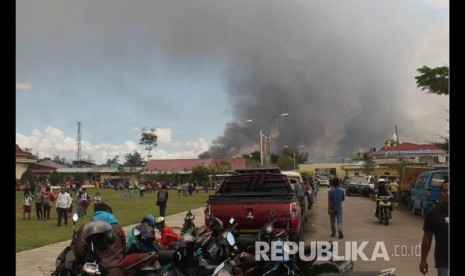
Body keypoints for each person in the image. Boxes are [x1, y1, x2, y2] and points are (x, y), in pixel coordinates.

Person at [73, 202, 126, 276]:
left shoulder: (86, 227)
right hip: (116, 270)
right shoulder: (118, 229)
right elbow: (124, 251)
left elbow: (79, 251)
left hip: (94, 269)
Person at [419, 179, 449, 276]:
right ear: (440, 193)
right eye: (444, 191)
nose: (447, 193)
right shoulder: (433, 213)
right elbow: (427, 237)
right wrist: (423, 260)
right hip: (444, 262)